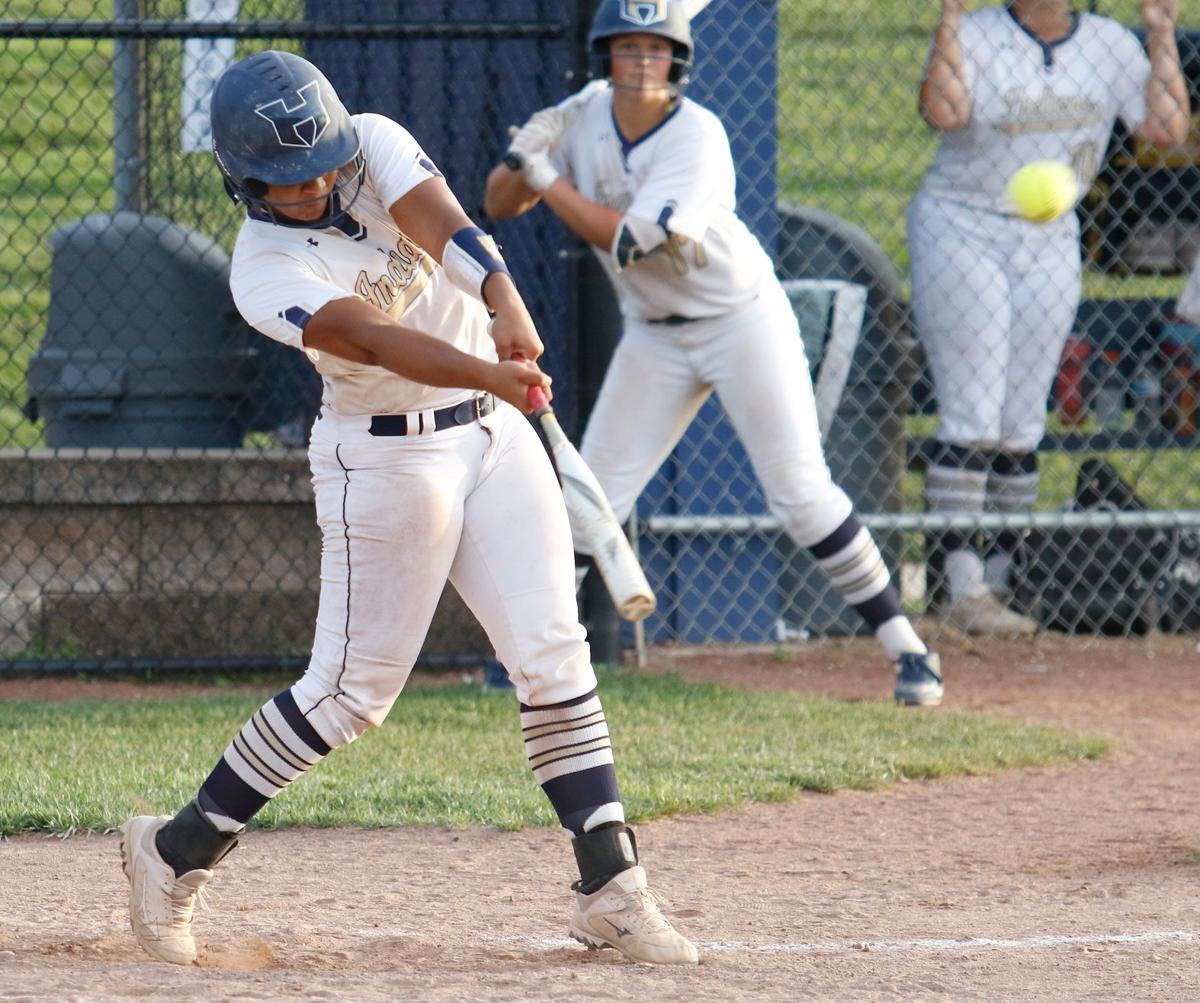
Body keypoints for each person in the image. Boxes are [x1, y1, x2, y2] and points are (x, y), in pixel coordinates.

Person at [117, 50, 697, 968]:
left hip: (493, 438)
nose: (315, 186)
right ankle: (173, 852)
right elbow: (376, 337)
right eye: (290, 180)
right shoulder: (265, 270)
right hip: (384, 457)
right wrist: (488, 370)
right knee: (349, 696)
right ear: (245, 183)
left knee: (552, 653)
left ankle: (611, 887)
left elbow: (446, 225)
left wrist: (502, 299)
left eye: (323, 166)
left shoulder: (375, 142)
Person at [484, 0, 944, 708]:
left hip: (739, 318)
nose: (640, 64)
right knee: (591, 497)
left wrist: (548, 180)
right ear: (604, 55)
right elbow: (498, 204)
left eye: (655, 50)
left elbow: (633, 241)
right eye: (626, 48)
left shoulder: (698, 134)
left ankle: (908, 650)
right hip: (653, 332)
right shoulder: (583, 117)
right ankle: (527, 660)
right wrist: (526, 158)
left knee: (800, 491)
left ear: (678, 61)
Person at [909, 0, 1188, 635]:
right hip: (962, 228)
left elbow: (1166, 128)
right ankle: (962, 589)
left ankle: (1002, 586)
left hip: (1050, 236)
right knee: (971, 412)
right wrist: (949, 19)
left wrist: (1162, 34)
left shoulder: (1108, 43)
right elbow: (944, 112)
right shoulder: (979, 34)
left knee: (1021, 421)